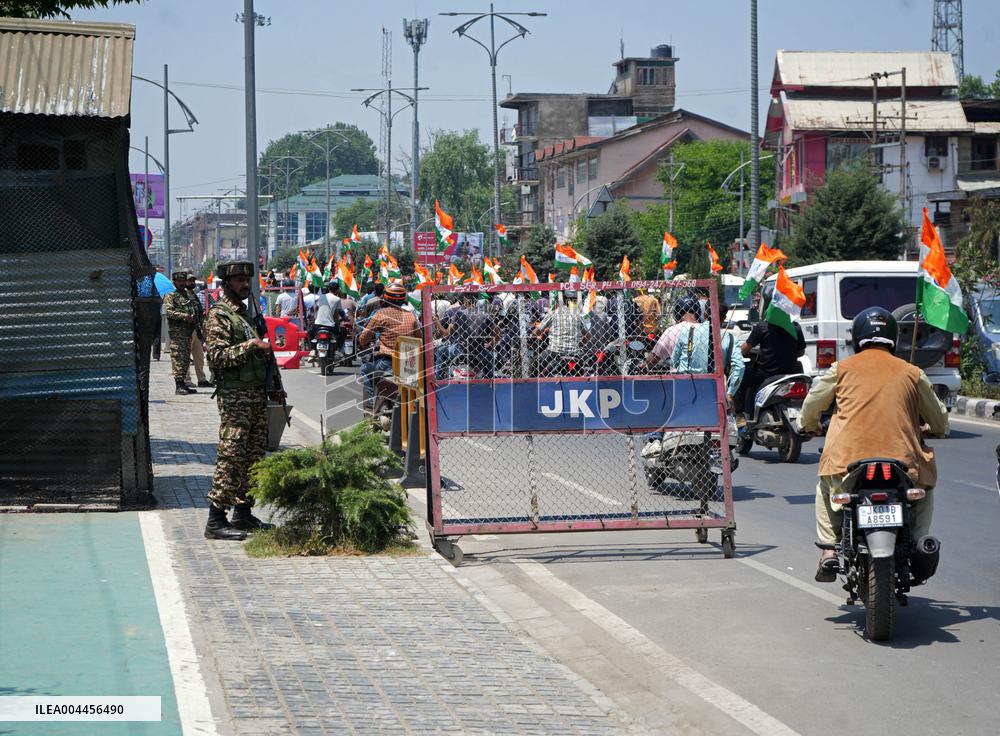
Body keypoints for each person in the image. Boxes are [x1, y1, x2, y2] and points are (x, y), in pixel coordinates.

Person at [797, 307, 948, 582]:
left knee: (824, 489)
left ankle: (829, 550)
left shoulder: (841, 369)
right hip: (903, 463)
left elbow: (812, 405)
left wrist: (806, 425)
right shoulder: (912, 372)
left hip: (848, 462)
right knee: (924, 491)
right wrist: (935, 428)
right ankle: (919, 541)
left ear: (857, 337)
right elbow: (938, 418)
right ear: (893, 337)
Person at [203, 260, 281, 541]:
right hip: (235, 398)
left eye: (247, 280)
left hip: (256, 395)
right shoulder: (220, 315)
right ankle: (215, 519)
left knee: (254, 457)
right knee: (232, 456)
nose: (245, 285)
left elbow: (265, 356)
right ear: (226, 284)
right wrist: (251, 345)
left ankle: (243, 512)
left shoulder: (246, 316)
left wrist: (275, 387)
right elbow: (217, 357)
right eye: (239, 281)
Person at [735, 307, 806, 419]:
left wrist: (734, 353)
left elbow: (745, 349)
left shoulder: (762, 327)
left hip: (765, 374)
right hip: (789, 374)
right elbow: (801, 351)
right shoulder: (795, 327)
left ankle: (741, 415)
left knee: (739, 378)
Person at [357, 283, 420, 407]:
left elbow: (364, 338)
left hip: (387, 363)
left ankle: (370, 406)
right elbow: (419, 339)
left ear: (385, 298)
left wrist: (363, 344)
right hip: (409, 365)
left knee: (365, 369)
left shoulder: (380, 314)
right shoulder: (411, 316)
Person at [436, 292, 497, 379]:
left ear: (465, 299)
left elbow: (446, 334)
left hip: (461, 350)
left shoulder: (459, 314)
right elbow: (497, 334)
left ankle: (438, 380)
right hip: (479, 352)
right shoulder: (485, 315)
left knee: (440, 351)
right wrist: (490, 344)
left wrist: (437, 322)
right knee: (490, 357)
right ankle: (490, 381)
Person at [162, 270, 200, 395]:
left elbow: (195, 309)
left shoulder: (188, 295)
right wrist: (184, 316)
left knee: (185, 359)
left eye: (183, 281)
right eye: (179, 281)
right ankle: (178, 385)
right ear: (174, 282)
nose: (182, 283)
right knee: (178, 357)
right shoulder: (171, 296)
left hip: (188, 332)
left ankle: (183, 383)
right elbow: (169, 312)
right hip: (178, 333)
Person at [535, 292, 587, 375]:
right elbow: (587, 335)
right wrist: (579, 344)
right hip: (574, 352)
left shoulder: (553, 313)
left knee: (536, 363)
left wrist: (534, 332)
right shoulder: (578, 315)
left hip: (554, 351)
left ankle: (534, 381)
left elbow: (539, 331)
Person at [647, 296, 701, 369]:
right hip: (706, 375)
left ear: (677, 313)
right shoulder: (706, 330)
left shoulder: (672, 330)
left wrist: (645, 365)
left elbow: (653, 359)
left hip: (678, 375)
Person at [185, 274, 212, 388]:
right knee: (185, 356)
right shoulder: (182, 295)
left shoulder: (194, 295)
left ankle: (201, 379)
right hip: (186, 330)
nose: (192, 283)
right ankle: (186, 379)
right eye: (189, 281)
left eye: (193, 281)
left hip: (196, 329)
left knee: (199, 356)